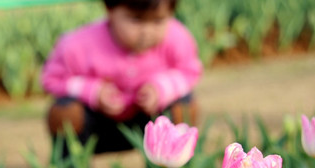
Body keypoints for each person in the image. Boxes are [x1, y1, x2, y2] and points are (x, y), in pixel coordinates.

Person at [41, 0, 202, 157]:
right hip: (97, 126)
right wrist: (93, 92)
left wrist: (162, 88)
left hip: (148, 122)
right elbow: (52, 78)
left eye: (158, 20)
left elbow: (190, 70)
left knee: (184, 106)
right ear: (109, 9)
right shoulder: (76, 45)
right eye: (136, 19)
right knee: (64, 111)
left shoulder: (177, 37)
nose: (146, 31)